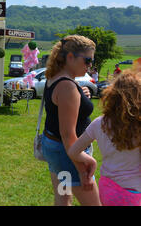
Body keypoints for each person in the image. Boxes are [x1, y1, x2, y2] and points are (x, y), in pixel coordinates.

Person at [41, 35, 101, 206]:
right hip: (68, 154)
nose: (90, 66)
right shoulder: (67, 86)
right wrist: (83, 171)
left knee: (63, 198)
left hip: (56, 149)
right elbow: (69, 137)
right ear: (69, 57)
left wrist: (81, 94)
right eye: (87, 60)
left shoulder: (55, 78)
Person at [68, 71, 141, 206]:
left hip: (107, 190)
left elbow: (73, 152)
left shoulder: (99, 123)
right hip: (134, 193)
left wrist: (91, 161)